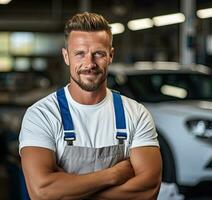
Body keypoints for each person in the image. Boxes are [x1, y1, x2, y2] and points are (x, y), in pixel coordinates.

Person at [19, 12, 162, 200]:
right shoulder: (42, 115)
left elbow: (148, 189)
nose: (90, 63)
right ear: (66, 56)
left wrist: (70, 190)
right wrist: (113, 175)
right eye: (80, 54)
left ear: (110, 55)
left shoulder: (135, 114)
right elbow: (42, 192)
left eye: (99, 54)